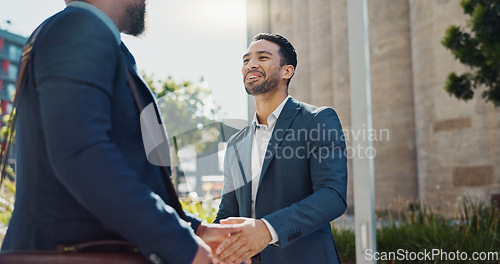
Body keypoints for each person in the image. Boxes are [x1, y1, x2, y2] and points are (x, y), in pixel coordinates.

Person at [0, 1, 242, 263]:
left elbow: (128, 170)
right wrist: (181, 245)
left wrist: (197, 231)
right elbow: (83, 157)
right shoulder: (80, 28)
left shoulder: (89, 34)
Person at [214, 33, 348, 264]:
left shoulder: (318, 120)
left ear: (287, 71)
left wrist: (267, 230)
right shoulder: (236, 143)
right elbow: (228, 213)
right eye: (246, 60)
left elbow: (332, 196)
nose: (251, 65)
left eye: (262, 57)